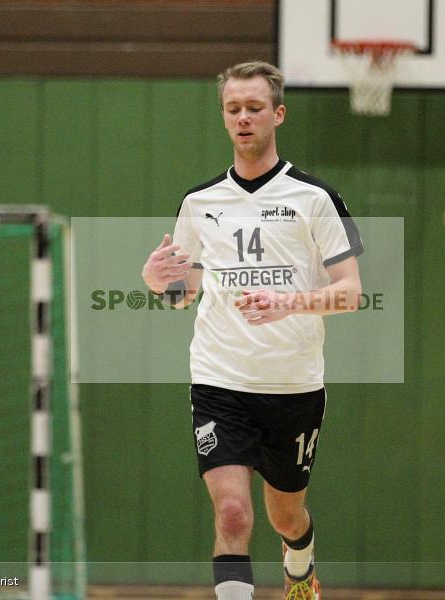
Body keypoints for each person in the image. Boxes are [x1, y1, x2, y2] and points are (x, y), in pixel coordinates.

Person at [141, 61, 363, 600]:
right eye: (233, 109)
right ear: (224, 117)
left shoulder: (316, 197)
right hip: (220, 381)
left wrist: (289, 301)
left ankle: (301, 560)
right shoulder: (199, 202)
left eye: (254, 108)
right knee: (235, 514)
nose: (243, 118)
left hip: (293, 387)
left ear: (278, 114)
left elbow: (352, 292)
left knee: (285, 516)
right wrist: (155, 282)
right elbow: (183, 293)